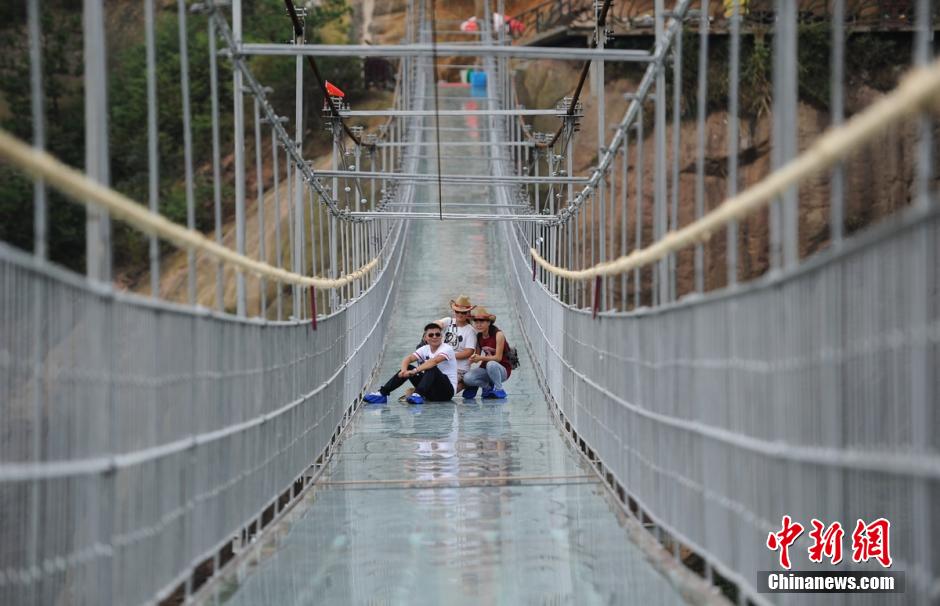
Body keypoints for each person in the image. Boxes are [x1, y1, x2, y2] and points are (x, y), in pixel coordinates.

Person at [363, 323, 458, 404]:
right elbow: (408, 359)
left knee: (431, 367)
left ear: (441, 336)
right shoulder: (424, 349)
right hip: (430, 391)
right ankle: (383, 394)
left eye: (437, 334)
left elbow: (434, 361)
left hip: (445, 392)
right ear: (425, 338)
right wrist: (404, 371)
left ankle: (418, 394)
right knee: (408, 367)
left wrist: (415, 371)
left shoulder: (447, 349)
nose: (434, 337)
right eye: (431, 335)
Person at [462, 306, 512, 399]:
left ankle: (499, 388)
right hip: (486, 369)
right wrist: (470, 359)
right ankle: (487, 387)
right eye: (476, 322)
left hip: (502, 370)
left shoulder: (498, 334)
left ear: (489, 322)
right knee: (467, 378)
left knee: (491, 364)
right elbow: (476, 357)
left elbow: (498, 358)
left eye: (481, 322)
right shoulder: (479, 336)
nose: (478, 324)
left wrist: (481, 358)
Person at [436, 295, 478, 390]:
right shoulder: (448, 321)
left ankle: (466, 383)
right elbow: (437, 323)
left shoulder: (470, 331)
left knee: (446, 391)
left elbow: (469, 352)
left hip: (459, 368)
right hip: (442, 364)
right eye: (457, 311)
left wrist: (448, 355)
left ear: (468, 313)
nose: (460, 314)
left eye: (463, 312)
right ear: (454, 311)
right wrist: (436, 326)